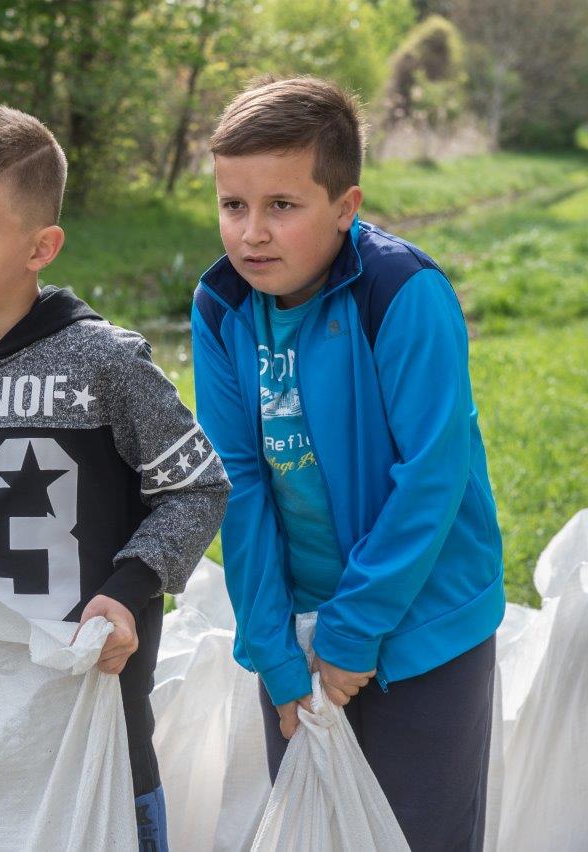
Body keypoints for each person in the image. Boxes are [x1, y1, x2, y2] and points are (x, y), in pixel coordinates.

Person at [0, 106, 229, 851]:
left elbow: (199, 485)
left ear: (40, 247)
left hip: (93, 699)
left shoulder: (104, 361)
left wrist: (129, 590)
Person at [190, 76, 505, 850]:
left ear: (346, 205)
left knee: (419, 833)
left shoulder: (403, 294)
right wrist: (276, 655)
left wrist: (353, 634)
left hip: (428, 623)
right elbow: (240, 486)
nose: (252, 233)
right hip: (300, 630)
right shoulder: (222, 306)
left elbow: (430, 478)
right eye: (234, 205)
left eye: (283, 206)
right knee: (312, 829)